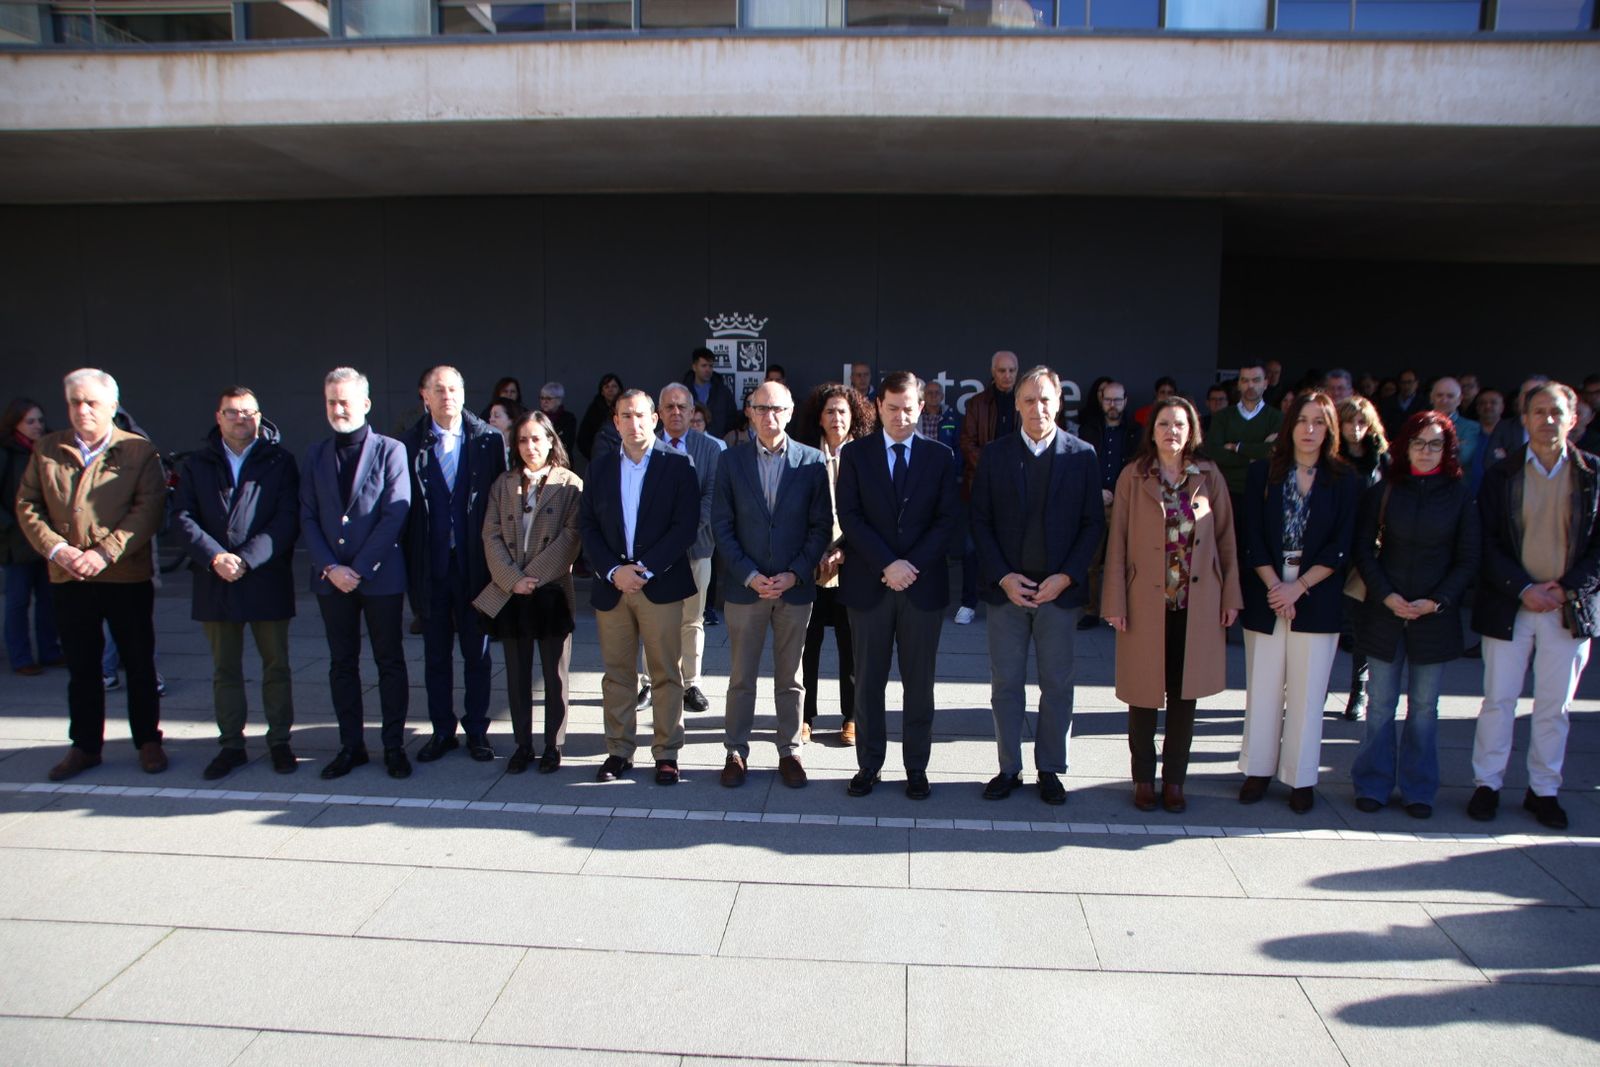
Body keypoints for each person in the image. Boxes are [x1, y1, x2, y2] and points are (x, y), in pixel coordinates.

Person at [16, 369, 167, 781]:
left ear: (112, 407)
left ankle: (148, 740)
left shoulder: (139, 451)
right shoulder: (47, 448)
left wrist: (104, 553)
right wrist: (59, 550)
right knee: (82, 668)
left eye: (91, 402)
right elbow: (28, 505)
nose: (82, 410)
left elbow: (148, 509)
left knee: (137, 662)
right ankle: (85, 746)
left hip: (125, 577)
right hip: (70, 578)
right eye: (74, 402)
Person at [1468, 382, 1600, 832]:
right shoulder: (1501, 476)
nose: (1547, 420)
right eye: (1538, 412)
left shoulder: (1592, 474)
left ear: (1574, 418)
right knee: (1498, 700)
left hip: (1566, 608)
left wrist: (1566, 589)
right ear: (1523, 420)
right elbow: (1483, 540)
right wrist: (1522, 587)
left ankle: (1544, 789)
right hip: (1512, 605)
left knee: (1553, 706)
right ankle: (1487, 783)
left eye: (1556, 412)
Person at [970, 366, 1102, 805]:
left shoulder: (1081, 455)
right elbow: (981, 521)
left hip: (1058, 595)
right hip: (1008, 592)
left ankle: (1050, 768)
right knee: (1005, 684)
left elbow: (1091, 525)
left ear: (1059, 403)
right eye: (1028, 399)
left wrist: (1066, 577)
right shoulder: (996, 455)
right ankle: (1009, 768)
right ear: (1017, 405)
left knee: (1058, 685)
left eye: (1045, 399)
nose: (1037, 407)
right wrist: (1004, 577)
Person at [1103, 397, 1241, 814]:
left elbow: (1226, 541)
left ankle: (1175, 781)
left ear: (1192, 430)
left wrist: (1231, 596)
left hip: (1196, 604)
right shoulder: (1134, 475)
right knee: (1143, 695)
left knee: (1186, 696)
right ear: (1153, 431)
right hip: (1145, 602)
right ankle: (1143, 779)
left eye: (1180, 424)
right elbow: (1118, 542)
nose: (1172, 431)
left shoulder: (1209, 476)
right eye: (1164, 424)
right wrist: (1113, 600)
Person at [835, 371, 960, 799]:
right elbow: (850, 517)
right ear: (878, 407)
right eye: (892, 408)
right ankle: (869, 764)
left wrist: (909, 566)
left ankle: (916, 767)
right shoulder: (855, 455)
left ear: (921, 407)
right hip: (870, 584)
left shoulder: (940, 457)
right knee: (868, 680)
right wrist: (888, 563)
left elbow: (946, 522)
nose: (901, 416)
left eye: (909, 408)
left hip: (921, 587)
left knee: (919, 682)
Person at [1349, 411, 1479, 820]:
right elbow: (1363, 550)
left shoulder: (1459, 495)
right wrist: (1386, 595)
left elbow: (1468, 558)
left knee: (1424, 708)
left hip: (1433, 616)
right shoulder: (1385, 491)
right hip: (1385, 612)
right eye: (1419, 443)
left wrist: (1437, 601)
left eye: (1435, 444)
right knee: (1381, 705)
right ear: (1405, 446)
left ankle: (1419, 788)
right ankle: (1373, 782)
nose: (1426, 451)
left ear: (1448, 449)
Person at [1238, 391, 1359, 813]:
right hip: (1267, 585)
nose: (1309, 430)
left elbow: (1343, 545)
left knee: (1308, 694)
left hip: (1316, 590)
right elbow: (1250, 535)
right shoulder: (1263, 474)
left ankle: (1301, 777)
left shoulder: (1344, 479)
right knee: (1264, 686)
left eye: (1319, 422)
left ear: (1330, 430)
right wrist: (1277, 586)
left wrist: (1298, 588)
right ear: (1290, 426)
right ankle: (1257, 770)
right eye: (1302, 420)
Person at [173, 387, 301, 779]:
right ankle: (231, 745)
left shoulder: (279, 461)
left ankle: (280, 742)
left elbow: (287, 518)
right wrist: (216, 558)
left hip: (265, 577)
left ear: (259, 417)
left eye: (247, 412)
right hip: (216, 580)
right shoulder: (197, 464)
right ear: (218, 417)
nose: (240, 419)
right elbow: (181, 517)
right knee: (224, 669)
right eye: (232, 412)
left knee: (276, 666)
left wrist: (245, 560)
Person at [711, 381, 832, 788]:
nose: (769, 416)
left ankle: (790, 749)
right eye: (760, 408)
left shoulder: (813, 463)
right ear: (749, 412)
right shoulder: (730, 462)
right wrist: (749, 574)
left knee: (790, 676)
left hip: (793, 588)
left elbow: (819, 528)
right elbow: (722, 527)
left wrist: (794, 573)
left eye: (777, 408)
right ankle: (735, 750)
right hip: (746, 588)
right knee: (741, 676)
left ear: (791, 411)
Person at [578, 389, 700, 785]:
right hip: (613, 588)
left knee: (666, 672)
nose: (633, 423)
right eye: (625, 416)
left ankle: (666, 753)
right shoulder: (598, 470)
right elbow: (589, 528)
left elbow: (685, 526)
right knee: (617, 675)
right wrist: (614, 570)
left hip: (658, 584)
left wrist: (644, 570)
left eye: (640, 415)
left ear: (654, 419)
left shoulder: (678, 464)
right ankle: (619, 750)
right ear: (616, 422)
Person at [301, 367, 413, 781]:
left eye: (345, 400)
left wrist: (359, 568)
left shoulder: (390, 450)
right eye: (331, 401)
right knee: (342, 664)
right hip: (332, 580)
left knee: (390, 662)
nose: (338, 408)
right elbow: (307, 516)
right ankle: (351, 747)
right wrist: (331, 568)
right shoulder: (315, 454)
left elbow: (395, 513)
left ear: (365, 404)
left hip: (379, 577)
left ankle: (394, 745)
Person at [402, 366, 508, 764]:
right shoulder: (411, 443)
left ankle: (477, 730)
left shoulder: (487, 441)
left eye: (454, 389)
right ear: (424, 396)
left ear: (464, 395)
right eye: (438, 390)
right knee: (435, 656)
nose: (447, 396)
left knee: (477, 654)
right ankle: (442, 730)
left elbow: (499, 506)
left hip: (475, 569)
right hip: (430, 569)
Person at [475, 410, 583, 775]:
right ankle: (523, 744)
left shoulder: (570, 484)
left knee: (555, 675)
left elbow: (571, 538)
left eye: (537, 438)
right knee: (517, 674)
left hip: (549, 590)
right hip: (512, 592)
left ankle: (554, 745)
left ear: (552, 440)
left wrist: (529, 577)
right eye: (523, 439)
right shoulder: (503, 483)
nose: (530, 446)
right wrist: (511, 579)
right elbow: (490, 534)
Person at [797, 383, 874, 746]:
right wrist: (816, 555)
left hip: (852, 566)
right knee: (806, 647)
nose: (837, 417)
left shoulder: (864, 457)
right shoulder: (805, 457)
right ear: (819, 417)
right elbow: (795, 513)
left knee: (850, 646)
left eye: (843, 411)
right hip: (811, 566)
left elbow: (871, 515)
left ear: (854, 416)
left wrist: (844, 552)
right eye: (830, 411)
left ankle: (851, 717)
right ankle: (805, 716)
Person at [657, 382, 725, 715]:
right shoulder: (647, 445)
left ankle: (690, 683)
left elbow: (712, 499)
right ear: (659, 412)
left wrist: (681, 535)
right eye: (669, 407)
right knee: (655, 618)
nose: (676, 412)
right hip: (653, 552)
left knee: (692, 619)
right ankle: (649, 682)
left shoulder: (711, 449)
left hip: (697, 547)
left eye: (682, 407)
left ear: (693, 411)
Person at [1336, 395, 1389, 721]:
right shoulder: (1332, 458)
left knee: (1361, 625)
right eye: (1349, 422)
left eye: (1361, 422)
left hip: (1368, 549)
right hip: (1335, 546)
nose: (1355, 429)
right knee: (1332, 624)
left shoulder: (1382, 459)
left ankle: (1358, 689)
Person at [956, 351, 1020, 624]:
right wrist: (994, 470)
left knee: (1014, 544)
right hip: (981, 485)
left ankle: (1011, 599)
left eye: (1012, 370)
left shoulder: (1024, 401)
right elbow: (967, 442)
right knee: (972, 548)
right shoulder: (977, 403)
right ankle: (969, 603)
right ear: (992, 372)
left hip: (1019, 486)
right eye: (1002, 370)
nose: (1007, 375)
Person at [1, 398, 61, 676]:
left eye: (40, 420)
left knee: (48, 598)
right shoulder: (7, 453)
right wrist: (13, 527)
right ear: (16, 424)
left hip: (46, 537)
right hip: (16, 540)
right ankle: (21, 656)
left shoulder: (48, 449)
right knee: (18, 600)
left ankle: (50, 651)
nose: (37, 426)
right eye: (30, 421)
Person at [1078, 379, 1138, 631]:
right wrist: (1097, 491)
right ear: (1101, 401)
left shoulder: (1137, 432)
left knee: (1123, 561)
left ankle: (1119, 611)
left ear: (1125, 401)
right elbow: (1081, 467)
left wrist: (1119, 493)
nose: (1112, 405)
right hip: (1095, 503)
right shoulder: (1089, 430)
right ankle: (1091, 610)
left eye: (1117, 400)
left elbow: (1139, 468)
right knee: (1091, 562)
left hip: (1126, 505)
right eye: (1108, 399)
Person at [1210, 363, 1284, 548]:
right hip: (1227, 493)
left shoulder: (1277, 418)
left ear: (1266, 383)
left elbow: (1274, 453)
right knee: (1226, 549)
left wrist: (1237, 447)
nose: (1250, 385)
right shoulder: (1222, 417)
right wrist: (1257, 452)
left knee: (1257, 550)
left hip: (1263, 493)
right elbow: (1215, 454)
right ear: (1239, 384)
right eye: (1245, 380)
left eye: (1256, 380)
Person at [1430, 375, 1481, 475]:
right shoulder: (1419, 424)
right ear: (1431, 398)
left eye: (1450, 396)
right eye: (1439, 395)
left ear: (1459, 399)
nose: (1444, 400)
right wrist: (1453, 446)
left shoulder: (1471, 427)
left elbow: (1462, 458)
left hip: (1455, 486)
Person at [684, 347, 739, 439]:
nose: (708, 370)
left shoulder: (723, 392)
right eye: (704, 366)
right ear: (694, 367)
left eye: (710, 366)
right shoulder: (683, 392)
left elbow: (732, 419)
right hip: (689, 442)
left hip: (718, 443)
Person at [576, 373, 623, 463]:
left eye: (614, 386)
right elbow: (583, 438)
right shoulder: (594, 410)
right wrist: (594, 454)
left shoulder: (626, 407)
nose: (610, 390)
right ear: (602, 391)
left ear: (620, 389)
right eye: (607, 387)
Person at [1380, 368, 1424, 439]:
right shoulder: (1388, 402)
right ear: (1399, 384)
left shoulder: (1424, 403)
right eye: (1403, 382)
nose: (1406, 386)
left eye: (1409, 382)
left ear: (1416, 383)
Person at [539, 382, 578, 460]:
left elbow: (567, 443)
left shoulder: (568, 419)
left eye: (549, 398)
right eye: (542, 398)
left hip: (562, 460)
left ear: (559, 400)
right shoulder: (537, 418)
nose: (544, 402)